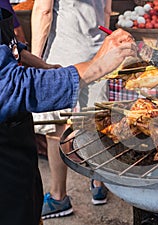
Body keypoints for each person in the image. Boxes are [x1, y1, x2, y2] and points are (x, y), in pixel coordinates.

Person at [0, 6, 136, 225]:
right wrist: (95, 66)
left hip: (17, 143)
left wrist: (38, 62)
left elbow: (10, 45)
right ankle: (77, 190)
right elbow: (9, 88)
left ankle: (60, 194)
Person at [31, 0, 113, 219]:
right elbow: (106, 10)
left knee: (56, 130)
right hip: (98, 51)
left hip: (63, 53)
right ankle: (98, 183)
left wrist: (35, 59)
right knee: (94, 123)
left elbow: (43, 10)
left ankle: (59, 197)